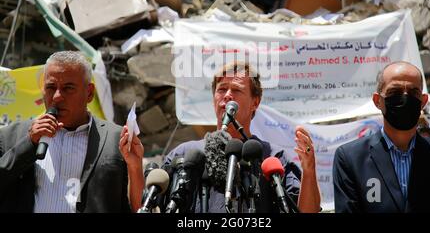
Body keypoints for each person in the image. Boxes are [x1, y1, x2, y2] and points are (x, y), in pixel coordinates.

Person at [158, 61, 321, 213]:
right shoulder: (186, 154)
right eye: (221, 89)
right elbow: (147, 204)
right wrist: (136, 166)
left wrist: (309, 169)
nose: (227, 95)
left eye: (236, 90)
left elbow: (307, 211)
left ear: (255, 103)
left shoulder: (272, 158)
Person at [0, 51, 141, 213]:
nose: (57, 97)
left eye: (68, 88)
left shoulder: (116, 138)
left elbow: (137, 207)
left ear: (89, 93)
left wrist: (135, 168)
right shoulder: (10, 137)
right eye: (51, 87)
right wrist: (28, 144)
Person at [333, 61, 430, 212]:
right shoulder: (351, 159)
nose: (405, 98)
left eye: (414, 92)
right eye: (395, 92)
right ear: (377, 101)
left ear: (423, 101)